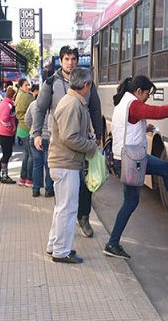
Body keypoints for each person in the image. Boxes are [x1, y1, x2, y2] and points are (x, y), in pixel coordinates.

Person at [104, 75, 168, 259]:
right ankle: (113, 243)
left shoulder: (124, 101)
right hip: (130, 161)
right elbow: (158, 112)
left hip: (125, 158)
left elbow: (126, 127)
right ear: (138, 91)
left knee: (161, 172)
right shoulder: (134, 104)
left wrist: (144, 128)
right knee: (134, 199)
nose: (147, 98)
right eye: (147, 94)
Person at [31, 45, 102, 238]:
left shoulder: (87, 82)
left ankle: (83, 217)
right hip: (60, 143)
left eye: (73, 59)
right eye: (66, 59)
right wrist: (36, 133)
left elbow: (95, 108)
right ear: (61, 61)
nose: (70, 62)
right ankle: (62, 233)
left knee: (86, 183)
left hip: (82, 139)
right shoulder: (51, 82)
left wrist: (100, 136)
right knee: (64, 191)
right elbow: (40, 109)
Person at [47, 68, 98, 264]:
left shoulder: (71, 102)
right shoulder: (73, 104)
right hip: (66, 163)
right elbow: (70, 137)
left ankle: (55, 245)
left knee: (62, 208)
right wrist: (90, 146)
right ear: (86, 86)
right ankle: (61, 251)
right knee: (68, 209)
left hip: (62, 162)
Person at [25, 86, 54, 198]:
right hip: (48, 138)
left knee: (37, 165)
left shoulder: (33, 104)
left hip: (34, 137)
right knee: (48, 165)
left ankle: (36, 189)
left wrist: (34, 130)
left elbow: (27, 120)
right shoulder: (51, 107)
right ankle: (48, 190)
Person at [0, 86, 17, 184]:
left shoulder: (2, 103)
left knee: (6, 154)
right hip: (6, 134)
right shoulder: (8, 105)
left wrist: (1, 125)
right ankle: (4, 175)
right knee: (7, 154)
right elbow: (4, 118)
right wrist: (10, 127)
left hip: (0, 132)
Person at [15, 78, 34, 187]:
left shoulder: (18, 95)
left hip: (21, 128)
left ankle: (23, 178)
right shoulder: (27, 96)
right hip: (27, 127)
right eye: (26, 85)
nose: (28, 87)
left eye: (29, 85)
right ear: (21, 86)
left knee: (26, 154)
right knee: (31, 155)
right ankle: (29, 179)